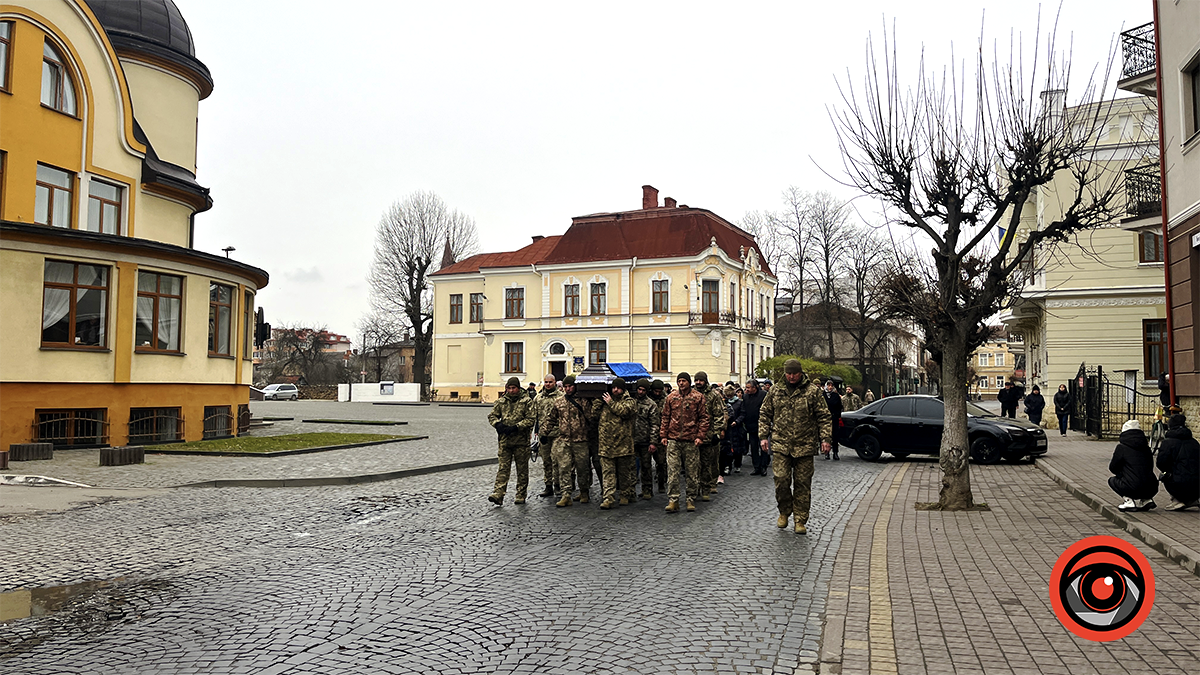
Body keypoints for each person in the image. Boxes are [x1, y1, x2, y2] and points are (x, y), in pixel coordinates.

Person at [759, 359, 832, 534]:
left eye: (794, 373)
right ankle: (784, 511)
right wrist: (763, 436)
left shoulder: (812, 392)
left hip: (805, 445)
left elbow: (824, 416)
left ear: (800, 373)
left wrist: (825, 439)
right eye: (788, 373)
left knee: (803, 484)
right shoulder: (776, 390)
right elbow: (765, 413)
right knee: (781, 480)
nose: (791, 377)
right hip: (781, 444)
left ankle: (800, 519)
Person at [658, 372, 710, 513]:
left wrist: (700, 436)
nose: (681, 383)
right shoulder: (671, 397)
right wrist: (663, 435)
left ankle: (690, 498)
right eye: (679, 381)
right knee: (673, 471)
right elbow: (665, 417)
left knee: (691, 472)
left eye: (684, 381)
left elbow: (704, 418)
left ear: (689, 382)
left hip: (691, 439)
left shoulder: (698, 397)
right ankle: (673, 500)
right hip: (673, 439)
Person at [544, 375, 594, 507]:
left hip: (581, 440)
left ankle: (584, 492)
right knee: (564, 468)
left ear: (575, 386)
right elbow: (551, 419)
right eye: (565, 387)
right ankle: (566, 494)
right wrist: (544, 432)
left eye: (570, 386)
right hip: (564, 439)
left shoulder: (584, 401)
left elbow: (592, 418)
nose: (567, 389)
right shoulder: (559, 402)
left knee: (582, 468)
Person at [486, 377, 535, 505]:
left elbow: (530, 419)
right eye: (509, 388)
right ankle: (498, 493)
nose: (511, 391)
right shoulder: (501, 402)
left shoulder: (527, 402)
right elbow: (492, 415)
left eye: (514, 388)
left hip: (521, 441)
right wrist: (498, 424)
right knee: (503, 468)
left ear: (518, 388)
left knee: (522, 470)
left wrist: (516, 427)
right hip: (505, 441)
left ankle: (521, 494)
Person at [592, 377, 638, 509]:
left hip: (623, 445)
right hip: (606, 445)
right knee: (608, 473)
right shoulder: (605, 401)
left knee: (624, 473)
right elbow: (594, 415)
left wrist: (611, 402)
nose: (615, 390)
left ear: (623, 389)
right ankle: (608, 498)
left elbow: (624, 412)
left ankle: (624, 494)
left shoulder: (629, 401)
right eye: (613, 388)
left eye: (617, 388)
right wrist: (598, 402)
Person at [1108, 419, 1158, 512]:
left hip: (1131, 487)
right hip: (1151, 487)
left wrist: (1121, 475)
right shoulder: (1146, 448)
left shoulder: (1122, 447)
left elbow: (1113, 467)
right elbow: (1150, 466)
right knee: (1141, 476)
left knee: (1112, 480)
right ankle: (1146, 499)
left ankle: (1129, 501)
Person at [693, 372, 727, 500]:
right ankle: (695, 488)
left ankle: (708, 487)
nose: (698, 383)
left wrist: (717, 432)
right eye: (696, 380)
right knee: (694, 465)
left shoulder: (713, 395)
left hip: (709, 434)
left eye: (700, 380)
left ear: (705, 381)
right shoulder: (691, 394)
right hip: (693, 435)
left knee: (708, 463)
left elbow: (719, 414)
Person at [1157, 414, 1200, 510]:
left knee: (1164, 475)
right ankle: (1192, 499)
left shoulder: (1168, 442)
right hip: (1197, 483)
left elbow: (1161, 463)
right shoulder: (1194, 442)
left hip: (1178, 483)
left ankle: (1177, 500)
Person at [533, 374, 563, 498]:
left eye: (550, 382)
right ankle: (548, 485)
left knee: (557, 461)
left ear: (555, 382)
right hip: (543, 435)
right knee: (546, 461)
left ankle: (558, 485)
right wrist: (536, 431)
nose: (548, 384)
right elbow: (534, 416)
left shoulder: (561, 397)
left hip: (558, 434)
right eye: (546, 382)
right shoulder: (538, 398)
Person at [631, 379, 661, 499]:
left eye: (643, 390)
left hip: (645, 440)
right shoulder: (631, 402)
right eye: (639, 389)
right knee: (631, 467)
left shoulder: (651, 404)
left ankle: (647, 490)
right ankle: (631, 490)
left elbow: (655, 424)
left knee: (646, 467)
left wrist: (653, 442)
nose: (641, 392)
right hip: (632, 439)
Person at [743, 379, 768, 476]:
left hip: (762, 426)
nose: (747, 389)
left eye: (749, 387)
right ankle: (756, 467)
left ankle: (763, 467)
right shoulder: (745, 397)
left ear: (755, 387)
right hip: (751, 426)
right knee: (753, 448)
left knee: (763, 447)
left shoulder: (763, 395)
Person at [649, 379, 669, 492]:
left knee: (661, 462)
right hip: (648, 433)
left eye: (659, 391)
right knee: (646, 464)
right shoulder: (648, 400)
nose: (657, 393)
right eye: (655, 391)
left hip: (662, 434)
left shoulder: (666, 400)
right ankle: (647, 488)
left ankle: (662, 483)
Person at [721, 385, 746, 476]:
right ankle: (727, 466)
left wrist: (737, 421)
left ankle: (737, 464)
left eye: (730, 395)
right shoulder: (724, 402)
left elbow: (743, 414)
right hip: (727, 428)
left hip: (737, 428)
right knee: (727, 448)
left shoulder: (739, 402)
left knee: (737, 449)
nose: (728, 397)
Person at [822, 378, 843, 460]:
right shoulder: (822, 395)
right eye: (828, 385)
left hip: (834, 418)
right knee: (826, 435)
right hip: (825, 418)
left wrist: (837, 415)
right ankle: (826, 453)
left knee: (835, 435)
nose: (830, 387)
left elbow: (839, 407)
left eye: (831, 386)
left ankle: (835, 452)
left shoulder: (836, 396)